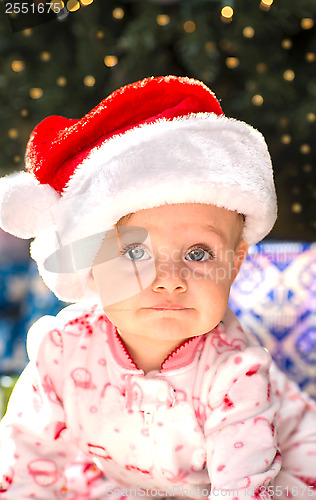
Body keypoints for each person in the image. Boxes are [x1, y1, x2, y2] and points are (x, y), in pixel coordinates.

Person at [0, 75, 315, 500]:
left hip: (281, 467)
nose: (169, 279)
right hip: (125, 478)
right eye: (134, 253)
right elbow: (23, 461)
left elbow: (244, 488)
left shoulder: (234, 373)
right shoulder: (60, 350)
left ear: (235, 263)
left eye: (199, 254)